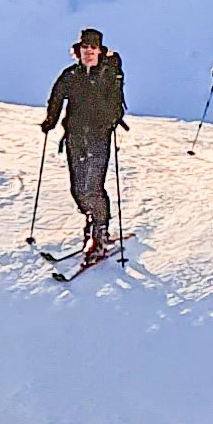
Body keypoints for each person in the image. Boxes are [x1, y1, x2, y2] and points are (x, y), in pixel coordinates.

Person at [42, 27, 127, 266]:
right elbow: (56, 97)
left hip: (99, 137)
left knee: (92, 187)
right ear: (78, 51)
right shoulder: (71, 75)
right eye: (85, 47)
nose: (89, 51)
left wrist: (110, 119)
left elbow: (117, 103)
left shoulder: (109, 75)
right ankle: (92, 221)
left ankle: (100, 232)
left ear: (100, 51)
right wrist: (50, 120)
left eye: (93, 47)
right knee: (78, 189)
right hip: (75, 137)